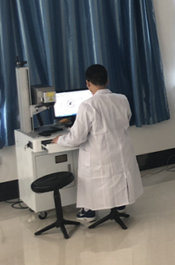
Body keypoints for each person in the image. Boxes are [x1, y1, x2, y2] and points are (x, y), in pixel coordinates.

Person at [51, 64, 143, 222]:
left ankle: (89, 212)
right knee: (119, 175)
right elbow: (126, 120)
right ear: (107, 81)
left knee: (95, 181)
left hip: (100, 155)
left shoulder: (88, 105)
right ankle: (120, 204)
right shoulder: (122, 99)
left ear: (88, 83)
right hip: (121, 149)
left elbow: (76, 138)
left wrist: (60, 139)